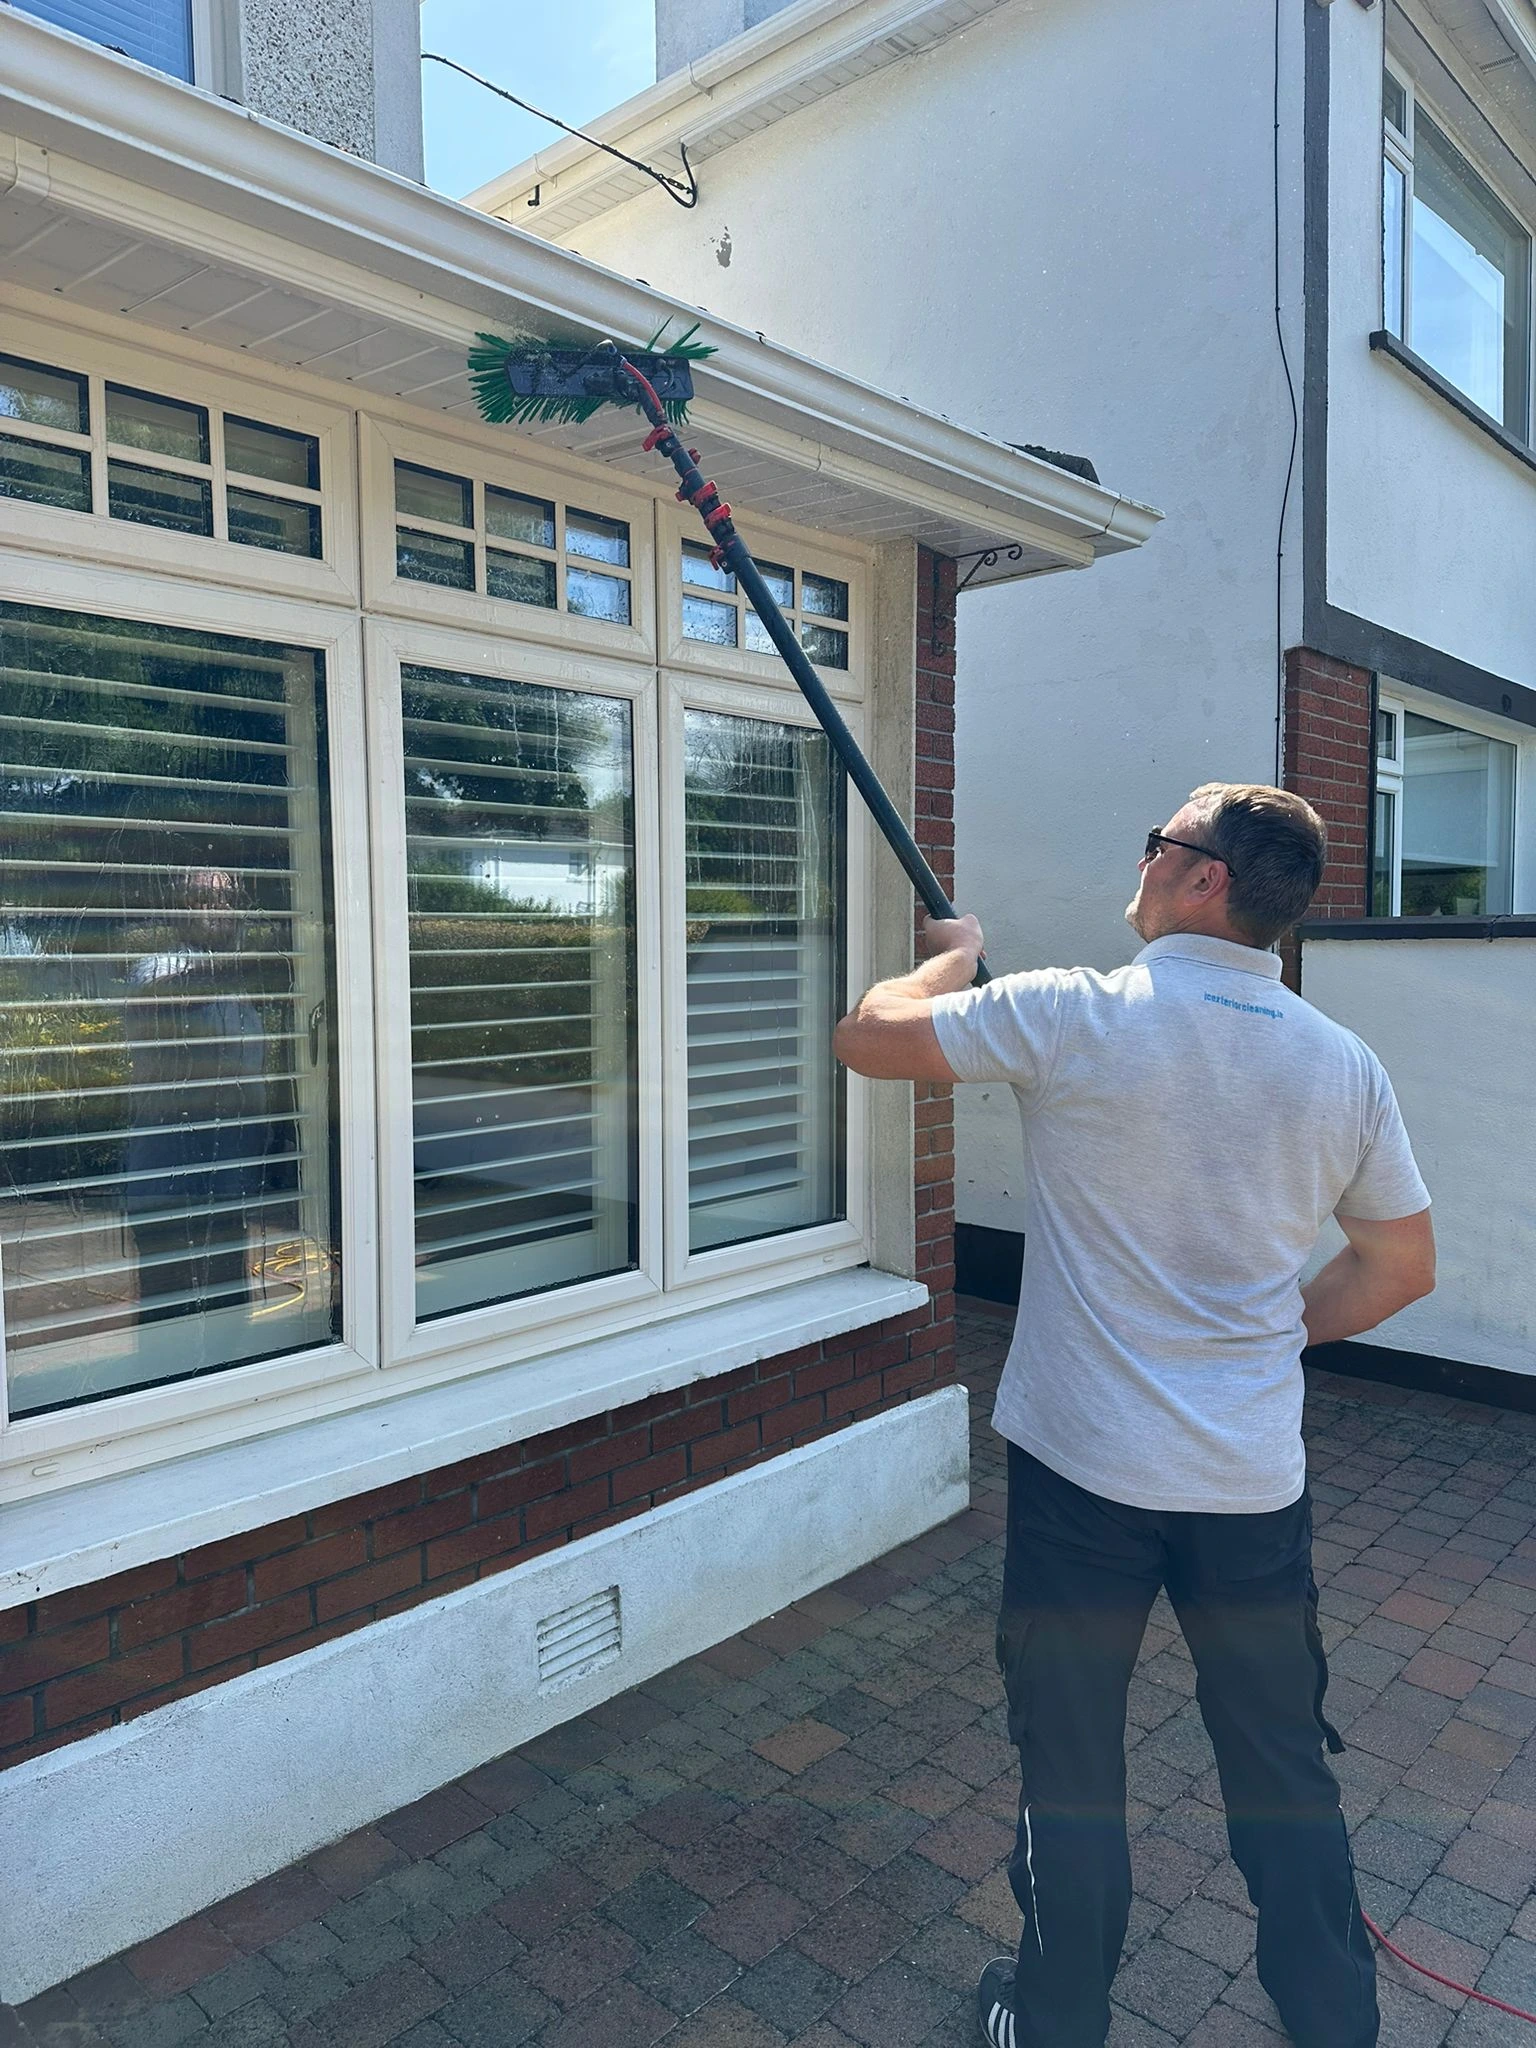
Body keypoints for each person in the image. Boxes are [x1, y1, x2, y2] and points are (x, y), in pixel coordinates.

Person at [833, 784, 1434, 2048]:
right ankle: (1334, 2016)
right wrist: (1266, 1335)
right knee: (1280, 1759)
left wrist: (945, 960)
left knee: (1070, 1763)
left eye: (1163, 843)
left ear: (1206, 877)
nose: (1147, 859)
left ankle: (1056, 2020)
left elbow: (869, 1037)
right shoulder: (1343, 1063)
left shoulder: (1074, 1010)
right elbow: (1399, 1267)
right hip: (1250, 1486)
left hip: (1083, 1482)